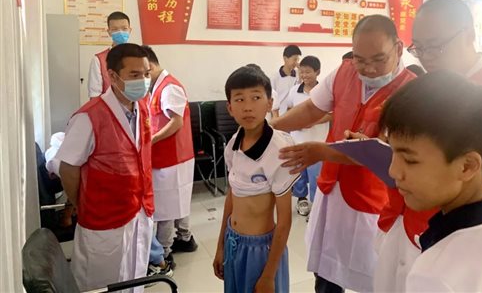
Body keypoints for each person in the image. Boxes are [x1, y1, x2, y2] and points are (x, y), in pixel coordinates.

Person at [371, 0, 482, 291]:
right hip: (410, 228)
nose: (426, 56)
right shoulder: (425, 88)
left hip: (463, 233)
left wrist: (446, 185)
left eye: (436, 45)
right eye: (419, 48)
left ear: (469, 35)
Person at [273, 15, 416, 293]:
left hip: (374, 200)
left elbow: (389, 150)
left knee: (375, 276)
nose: (369, 69)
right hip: (332, 189)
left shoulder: (412, 90)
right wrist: (271, 127)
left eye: (378, 59)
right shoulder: (344, 72)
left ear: (398, 49)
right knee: (327, 271)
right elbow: (312, 108)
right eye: (360, 59)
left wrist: (321, 151)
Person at [378, 70, 482, 292]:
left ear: (466, 166)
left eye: (410, 160)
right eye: (392, 151)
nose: (393, 171)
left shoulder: (435, 276)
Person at [56, 43, 154, 291]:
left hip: (139, 211)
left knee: (135, 278)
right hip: (104, 220)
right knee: (101, 284)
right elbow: (68, 168)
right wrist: (80, 202)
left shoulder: (142, 107)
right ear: (112, 76)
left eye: (146, 74)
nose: (143, 81)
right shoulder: (89, 116)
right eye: (134, 75)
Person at [212, 66, 299, 293]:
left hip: (261, 252)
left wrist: (269, 275)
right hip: (233, 241)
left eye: (256, 97)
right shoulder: (233, 144)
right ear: (230, 108)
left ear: (270, 103)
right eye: (239, 99)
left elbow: (285, 221)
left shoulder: (279, 151)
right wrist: (220, 246)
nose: (248, 107)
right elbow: (232, 197)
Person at [141, 46, 198, 269]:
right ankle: (184, 237)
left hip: (173, 158)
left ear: (150, 66)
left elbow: (176, 122)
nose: (141, 78)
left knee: (166, 208)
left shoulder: (169, 87)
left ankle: (164, 254)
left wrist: (151, 140)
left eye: (142, 72)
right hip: (166, 157)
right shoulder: (156, 86)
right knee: (176, 202)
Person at [284, 55, 331, 217]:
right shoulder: (294, 91)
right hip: (297, 141)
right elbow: (289, 110)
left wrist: (313, 121)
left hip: (318, 143)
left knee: (317, 176)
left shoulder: (325, 91)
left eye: (308, 72)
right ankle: (301, 199)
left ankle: (316, 207)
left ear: (317, 72)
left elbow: (332, 114)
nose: (304, 75)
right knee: (299, 174)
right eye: (301, 72)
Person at [88, 11, 132, 98]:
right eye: (115, 29)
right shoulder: (98, 60)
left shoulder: (140, 57)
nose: (120, 32)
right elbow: (94, 95)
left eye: (124, 28)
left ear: (130, 30)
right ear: (109, 32)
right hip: (108, 105)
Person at [271, 44, 302, 116]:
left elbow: (299, 94)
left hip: (294, 115)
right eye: (294, 59)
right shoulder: (274, 77)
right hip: (279, 116)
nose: (296, 62)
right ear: (285, 58)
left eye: (298, 60)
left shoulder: (299, 74)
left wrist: (300, 75)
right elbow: (271, 99)